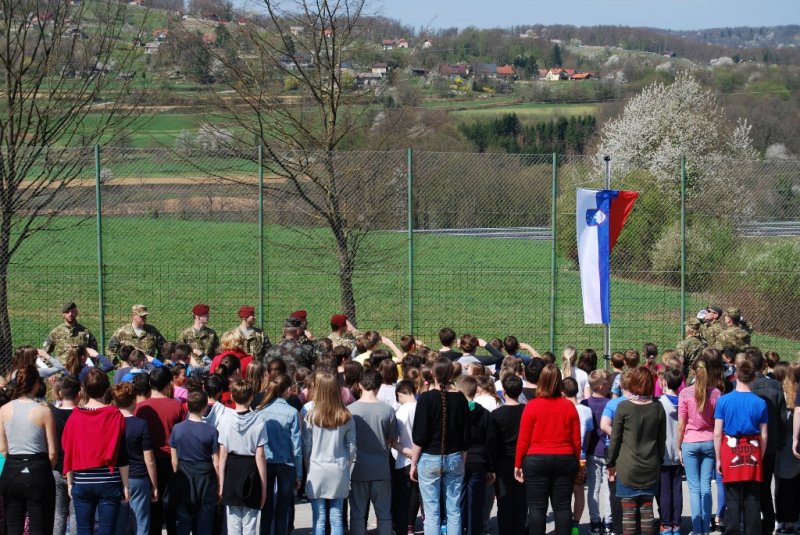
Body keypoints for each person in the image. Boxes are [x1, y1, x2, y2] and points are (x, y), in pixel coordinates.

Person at [514, 364, 580, 535]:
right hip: (565, 458)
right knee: (563, 506)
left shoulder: (532, 406)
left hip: (536, 459)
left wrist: (518, 463)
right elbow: (576, 439)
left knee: (536, 507)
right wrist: (576, 460)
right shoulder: (569, 406)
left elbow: (523, 439)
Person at [62, 368, 129, 535]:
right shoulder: (115, 415)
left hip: (82, 480)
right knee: (107, 530)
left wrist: (70, 482)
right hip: (108, 479)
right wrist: (126, 485)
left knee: (83, 530)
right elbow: (122, 454)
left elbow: (69, 449)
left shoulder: (75, 416)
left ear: (83, 389)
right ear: (107, 388)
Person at [410, 357, 471, 535]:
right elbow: (466, 436)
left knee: (432, 512)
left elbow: (419, 437)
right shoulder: (460, 398)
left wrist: (413, 463)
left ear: (433, 374)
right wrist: (463, 462)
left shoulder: (426, 398)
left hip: (429, 458)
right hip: (454, 457)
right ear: (452, 374)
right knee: (454, 510)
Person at [607, 367, 666, 535]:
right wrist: (659, 460)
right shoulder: (658, 407)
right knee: (647, 512)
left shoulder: (624, 407)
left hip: (627, 467)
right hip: (651, 466)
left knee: (629, 515)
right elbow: (662, 440)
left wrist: (610, 463)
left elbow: (615, 439)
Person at [0, 365, 57, 535]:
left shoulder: (4, 410)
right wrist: (46, 468)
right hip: (38, 469)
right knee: (40, 523)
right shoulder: (44, 411)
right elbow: (53, 452)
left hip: (11, 469)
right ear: (36, 385)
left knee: (13, 524)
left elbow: (3, 449)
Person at [713, 359, 768, 535]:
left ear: (736, 375)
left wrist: (718, 458)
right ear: (753, 377)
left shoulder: (724, 400)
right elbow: (764, 434)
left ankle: (732, 531)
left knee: (732, 498)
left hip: (730, 450)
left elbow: (716, 432)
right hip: (753, 449)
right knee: (752, 498)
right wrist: (761, 454)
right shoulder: (760, 403)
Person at [303, 370, 357, 535]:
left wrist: (307, 466)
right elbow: (352, 447)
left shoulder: (311, 415)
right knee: (337, 516)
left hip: (316, 467)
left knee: (319, 518)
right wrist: (349, 468)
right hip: (338, 467)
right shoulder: (346, 415)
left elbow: (307, 446)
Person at [135, 367, 187, 535]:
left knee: (152, 507)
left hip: (147, 460)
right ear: (167, 385)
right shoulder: (176, 406)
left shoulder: (141, 408)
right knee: (172, 507)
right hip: (171, 460)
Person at [348, 368, 397, 535]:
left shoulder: (350, 410)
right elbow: (391, 438)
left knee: (357, 515)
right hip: (381, 468)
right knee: (384, 514)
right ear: (379, 386)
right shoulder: (388, 410)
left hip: (357, 469)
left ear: (360, 385)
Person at [677, 354, 722, 535]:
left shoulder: (685, 393)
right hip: (709, 440)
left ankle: (697, 529)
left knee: (694, 488)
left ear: (694, 371)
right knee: (706, 486)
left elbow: (681, 424)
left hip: (690, 441)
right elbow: (718, 422)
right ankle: (705, 526)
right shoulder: (716, 393)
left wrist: (678, 446)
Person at [743, 347, 785, 535]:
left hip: (750, 444)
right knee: (766, 486)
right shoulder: (776, 386)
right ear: (764, 365)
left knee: (751, 487)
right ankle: (768, 524)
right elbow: (782, 417)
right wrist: (781, 441)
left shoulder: (745, 387)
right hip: (771, 444)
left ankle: (751, 524)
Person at [218, 380, 268, 534]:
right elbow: (260, 456)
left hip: (232, 470)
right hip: (251, 468)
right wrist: (264, 487)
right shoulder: (259, 420)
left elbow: (222, 455)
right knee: (250, 523)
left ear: (232, 396)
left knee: (233, 523)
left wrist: (220, 484)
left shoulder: (225, 419)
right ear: (251, 397)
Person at [255, 374, 303, 535]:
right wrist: (299, 473)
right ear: (288, 390)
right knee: (282, 509)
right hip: (286, 462)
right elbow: (296, 445)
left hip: (266, 461)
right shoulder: (292, 412)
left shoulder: (260, 410)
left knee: (266, 505)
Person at [170, 390, 220, 535]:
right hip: (206, 478)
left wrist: (176, 476)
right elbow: (216, 462)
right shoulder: (211, 431)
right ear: (205, 407)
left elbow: (174, 459)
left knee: (183, 519)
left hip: (184, 476)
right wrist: (219, 484)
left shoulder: (177, 428)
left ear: (187, 406)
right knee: (205, 521)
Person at [113, 382, 158, 535]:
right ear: (134, 401)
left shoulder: (111, 422)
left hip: (116, 476)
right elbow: (149, 459)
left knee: (119, 523)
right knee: (141, 523)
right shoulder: (141, 424)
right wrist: (154, 484)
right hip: (138, 476)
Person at [487, 374, 526, 535]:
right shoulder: (527, 411)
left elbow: (492, 442)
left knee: (504, 501)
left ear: (503, 391)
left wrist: (491, 465)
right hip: (523, 461)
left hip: (502, 462)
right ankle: (519, 529)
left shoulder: (496, 414)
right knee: (522, 501)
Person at [455, 375, 493, 535]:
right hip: (479, 461)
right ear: (475, 391)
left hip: (458, 459)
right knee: (476, 501)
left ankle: (459, 529)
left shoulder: (455, 413)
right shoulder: (485, 414)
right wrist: (491, 467)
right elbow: (490, 442)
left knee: (457, 500)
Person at [562, 376, 593, 534]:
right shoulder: (587, 411)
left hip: (563, 454)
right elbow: (588, 434)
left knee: (563, 491)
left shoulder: (561, 409)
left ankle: (564, 522)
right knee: (579, 490)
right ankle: (575, 524)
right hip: (580, 454)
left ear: (562, 392)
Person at [585, 369, 613, 535]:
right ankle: (608, 521)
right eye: (609, 384)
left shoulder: (585, 404)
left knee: (593, 489)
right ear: (603, 386)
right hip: (608, 451)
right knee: (608, 489)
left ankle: (595, 521)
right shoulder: (610, 404)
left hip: (592, 451)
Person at [51, 376, 80, 535]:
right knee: (76, 514)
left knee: (59, 513)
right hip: (78, 469)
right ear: (79, 394)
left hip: (56, 467)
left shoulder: (51, 414)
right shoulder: (83, 415)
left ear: (60, 394)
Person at [774, 361, 800, 535]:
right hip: (792, 442)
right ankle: (793, 520)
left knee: (782, 485)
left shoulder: (782, 394)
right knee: (795, 485)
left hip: (784, 444)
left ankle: (782, 520)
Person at [391, 380, 419, 535]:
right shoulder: (423, 407)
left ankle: (405, 527)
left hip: (404, 460)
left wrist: (407, 451)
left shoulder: (402, 411)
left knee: (404, 499)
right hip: (423, 458)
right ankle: (412, 525)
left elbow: (393, 439)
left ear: (400, 394)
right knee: (418, 496)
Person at [658, 368, 683, 535]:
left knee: (664, 490)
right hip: (679, 451)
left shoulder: (659, 403)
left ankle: (666, 524)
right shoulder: (683, 401)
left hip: (664, 451)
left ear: (664, 383)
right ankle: (676, 524)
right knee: (677, 488)